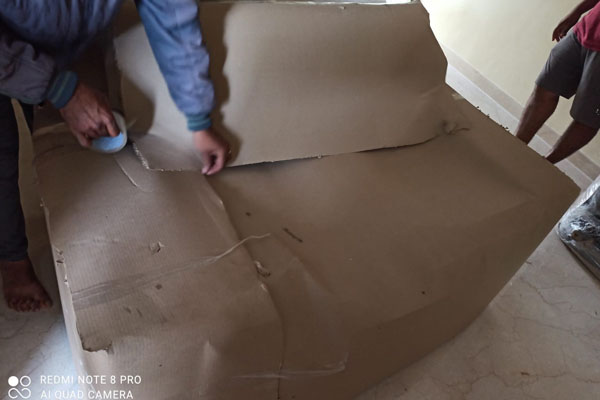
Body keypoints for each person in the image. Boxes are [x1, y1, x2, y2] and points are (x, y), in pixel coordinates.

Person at [0, 0, 230, 312]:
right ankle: (11, 258)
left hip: (53, 38)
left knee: (51, 138)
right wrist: (62, 90)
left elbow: (172, 15)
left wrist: (197, 115)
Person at [516, 0, 600, 164]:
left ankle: (543, 165)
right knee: (545, 89)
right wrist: (576, 13)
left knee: (587, 118)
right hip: (585, 30)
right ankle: (513, 145)